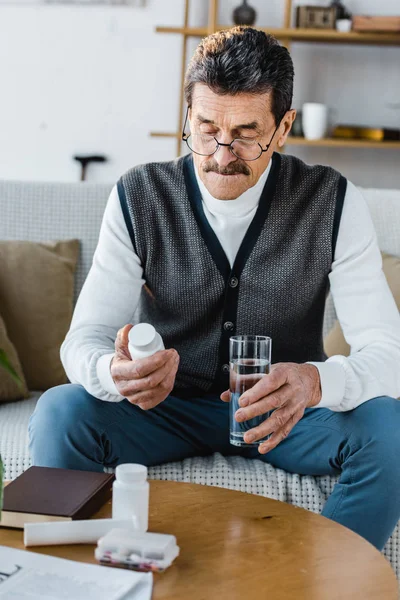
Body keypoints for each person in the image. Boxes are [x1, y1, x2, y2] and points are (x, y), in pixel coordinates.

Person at [29, 26, 400, 552]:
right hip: (163, 412)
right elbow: (82, 340)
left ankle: (323, 586)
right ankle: (71, 581)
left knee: (391, 428)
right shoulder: (141, 195)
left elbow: (389, 353)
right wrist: (114, 374)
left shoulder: (333, 201)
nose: (222, 154)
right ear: (187, 118)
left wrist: (315, 383)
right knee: (61, 412)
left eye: (247, 133)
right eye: (205, 129)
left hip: (286, 419)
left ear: (283, 126)